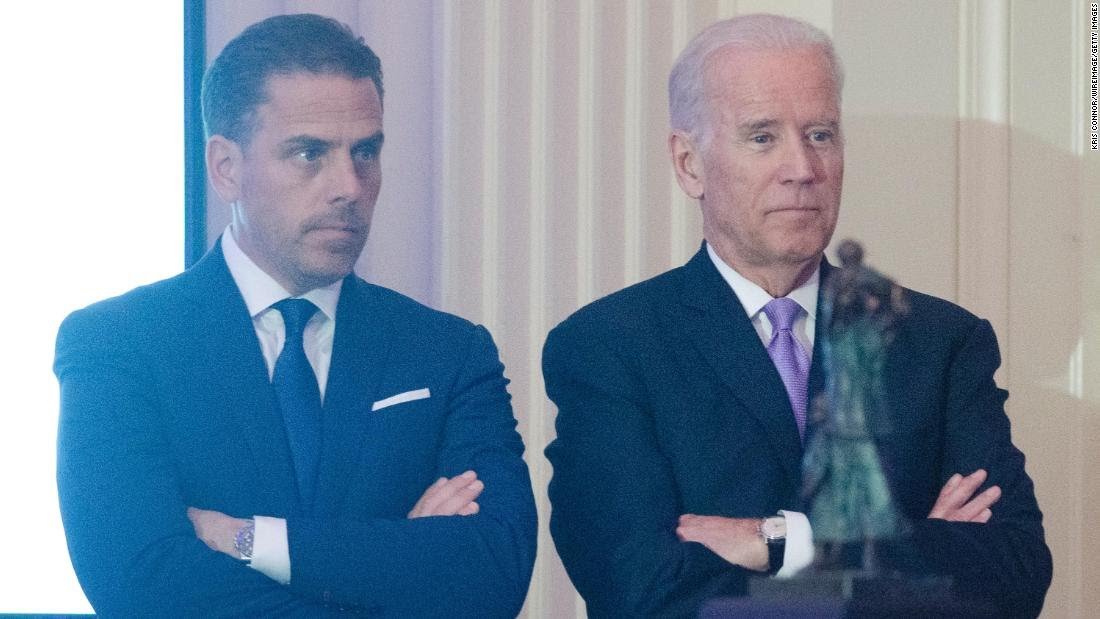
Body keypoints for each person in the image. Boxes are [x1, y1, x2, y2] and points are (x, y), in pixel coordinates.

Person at [542, 13, 1050, 618]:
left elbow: (1015, 572)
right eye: (762, 137)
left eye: (820, 135)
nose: (803, 169)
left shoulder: (941, 342)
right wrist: (912, 558)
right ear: (689, 163)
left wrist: (780, 542)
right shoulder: (609, 347)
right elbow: (643, 592)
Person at [55, 14, 536, 617]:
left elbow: (493, 572)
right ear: (226, 167)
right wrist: (403, 559)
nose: (350, 186)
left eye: (366, 151)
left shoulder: (447, 353)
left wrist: (247, 540)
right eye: (310, 153)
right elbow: (143, 585)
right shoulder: (117, 345)